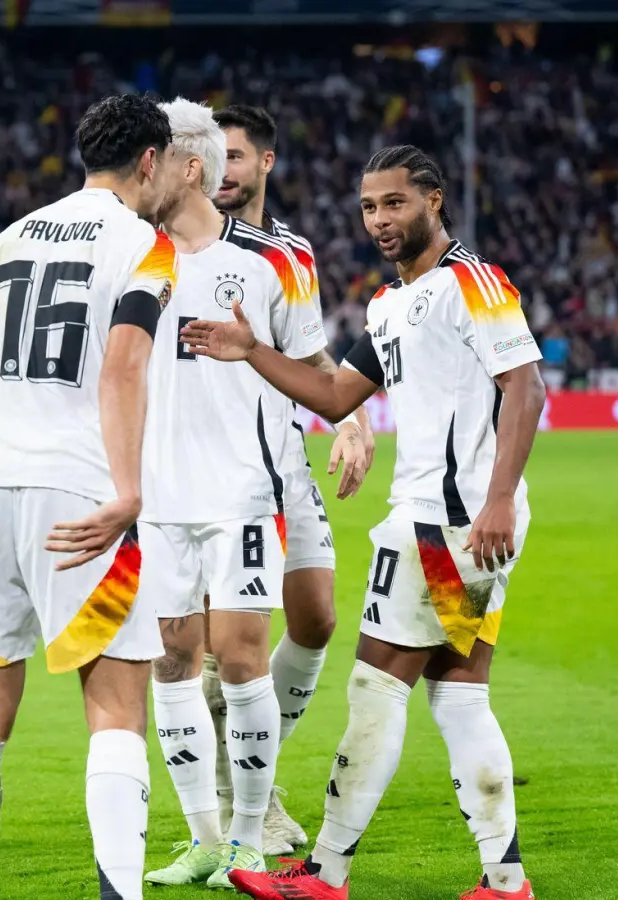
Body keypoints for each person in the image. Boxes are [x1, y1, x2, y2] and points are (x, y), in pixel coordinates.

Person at [180, 145, 543, 900]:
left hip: (445, 525)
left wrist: (500, 498)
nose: (380, 220)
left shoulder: (470, 284)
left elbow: (526, 388)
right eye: (369, 207)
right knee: (460, 693)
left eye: (395, 204)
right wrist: (251, 350)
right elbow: (334, 395)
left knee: (377, 688)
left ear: (434, 201)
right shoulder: (389, 303)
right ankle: (505, 879)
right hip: (451, 526)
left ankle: (326, 873)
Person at [0, 93, 178, 900]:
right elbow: (124, 364)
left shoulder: (4, 241)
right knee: (118, 703)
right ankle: (119, 892)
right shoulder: (145, 244)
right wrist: (129, 491)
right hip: (79, 493)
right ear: (151, 161)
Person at [135, 98, 329, 890]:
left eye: (152, 159)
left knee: (243, 658)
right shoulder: (130, 257)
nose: (138, 174)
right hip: (155, 498)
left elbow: (315, 371)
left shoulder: (269, 261)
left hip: (245, 493)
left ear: (188, 166)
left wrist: (340, 423)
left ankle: (251, 837)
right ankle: (206, 837)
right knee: (173, 659)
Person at [190, 103, 375, 855]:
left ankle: (251, 769)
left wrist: (350, 419)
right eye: (211, 158)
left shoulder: (292, 253)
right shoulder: (176, 245)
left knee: (318, 619)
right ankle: (244, 805)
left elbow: (311, 356)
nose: (220, 172)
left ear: (264, 162)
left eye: (234, 157)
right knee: (224, 646)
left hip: (284, 461)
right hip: (209, 471)